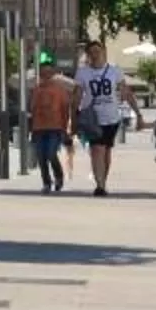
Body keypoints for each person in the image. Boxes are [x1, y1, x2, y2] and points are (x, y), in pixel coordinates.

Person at [73, 42, 128, 196]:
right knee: (97, 149)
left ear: (104, 52)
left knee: (106, 152)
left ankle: (103, 180)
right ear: (88, 55)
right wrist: (73, 117)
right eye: (92, 52)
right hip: (92, 118)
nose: (95, 55)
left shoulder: (114, 70)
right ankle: (100, 185)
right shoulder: (83, 73)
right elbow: (77, 96)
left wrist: (136, 111)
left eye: (98, 51)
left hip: (111, 117)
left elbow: (125, 90)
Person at [25, 60, 76, 193]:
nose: (46, 75)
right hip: (39, 128)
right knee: (41, 157)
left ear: (53, 74)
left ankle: (58, 177)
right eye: (43, 73)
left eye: (48, 72)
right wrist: (31, 127)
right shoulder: (36, 90)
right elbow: (31, 109)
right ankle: (46, 182)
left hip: (55, 127)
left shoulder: (60, 90)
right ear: (40, 74)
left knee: (51, 154)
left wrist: (65, 128)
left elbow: (65, 109)